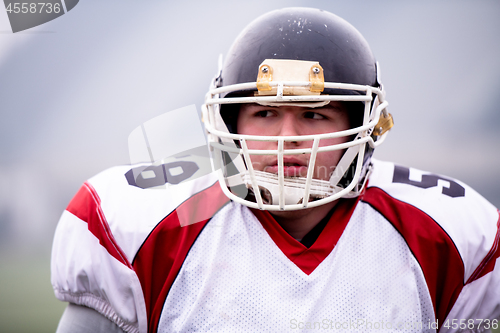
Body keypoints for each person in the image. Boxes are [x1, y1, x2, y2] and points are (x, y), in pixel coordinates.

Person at [51, 7, 500, 333]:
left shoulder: (444, 235)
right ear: (228, 122)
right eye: (265, 113)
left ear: (363, 127)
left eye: (315, 114)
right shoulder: (147, 228)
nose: (288, 138)